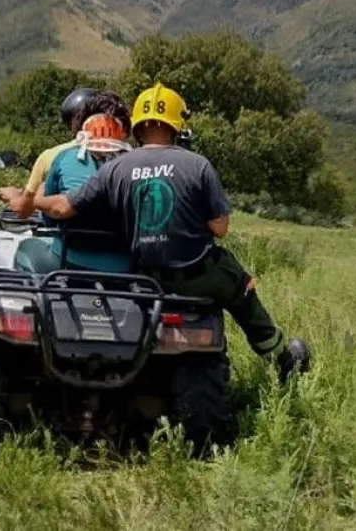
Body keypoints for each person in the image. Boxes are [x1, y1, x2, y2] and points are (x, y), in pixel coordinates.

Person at [28, 82, 311, 383]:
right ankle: (282, 360)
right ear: (177, 125)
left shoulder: (116, 168)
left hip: (147, 276)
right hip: (198, 274)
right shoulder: (198, 165)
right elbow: (221, 228)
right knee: (242, 291)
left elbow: (64, 207)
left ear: (137, 126)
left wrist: (29, 200)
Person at [5, 92, 134, 273]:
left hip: (67, 260)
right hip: (124, 266)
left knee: (25, 249)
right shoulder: (138, 165)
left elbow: (50, 219)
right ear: (124, 130)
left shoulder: (65, 158)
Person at [0, 87, 97, 219]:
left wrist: (13, 196)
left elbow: (23, 210)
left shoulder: (51, 156)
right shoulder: (123, 155)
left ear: (72, 122)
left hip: (65, 236)